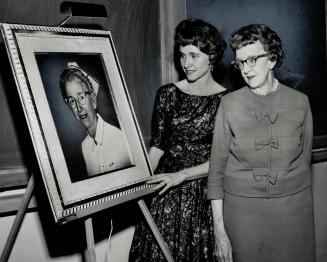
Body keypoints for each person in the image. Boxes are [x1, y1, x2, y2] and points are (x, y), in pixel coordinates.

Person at [207, 24, 315, 262]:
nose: (246, 69)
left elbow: (305, 162)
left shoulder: (301, 103)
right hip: (242, 217)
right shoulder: (229, 105)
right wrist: (219, 232)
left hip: (293, 215)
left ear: (273, 59)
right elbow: (215, 174)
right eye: (240, 62)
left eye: (253, 59)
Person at [129, 18, 228, 261]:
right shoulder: (167, 94)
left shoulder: (227, 101)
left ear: (211, 56)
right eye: (182, 55)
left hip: (203, 198)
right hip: (165, 196)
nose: (186, 63)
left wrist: (181, 176)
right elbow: (157, 148)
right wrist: (136, 185)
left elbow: (221, 161)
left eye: (194, 56)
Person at [59, 62, 132, 177]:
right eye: (72, 101)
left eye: (81, 97)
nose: (78, 107)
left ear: (93, 99)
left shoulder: (119, 139)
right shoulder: (85, 146)